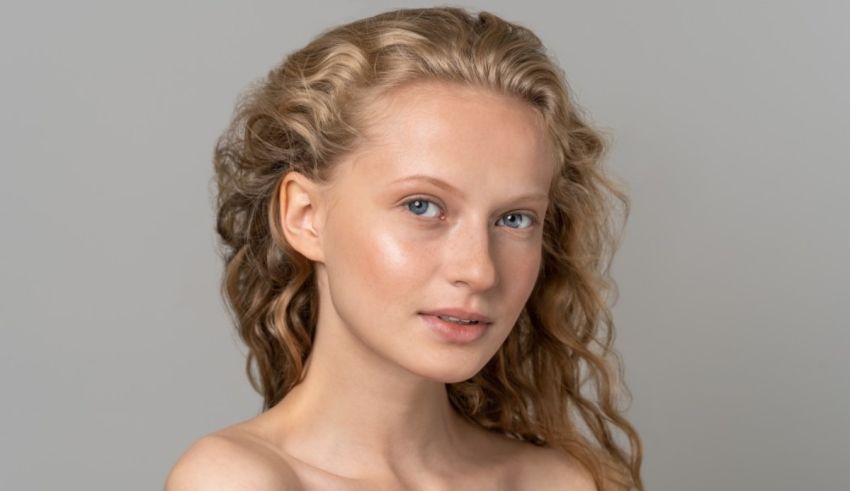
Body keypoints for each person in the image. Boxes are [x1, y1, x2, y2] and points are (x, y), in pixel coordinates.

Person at [165, 6, 643, 490]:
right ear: (305, 217)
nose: (480, 271)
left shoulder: (563, 484)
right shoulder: (238, 480)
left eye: (514, 219)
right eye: (422, 206)